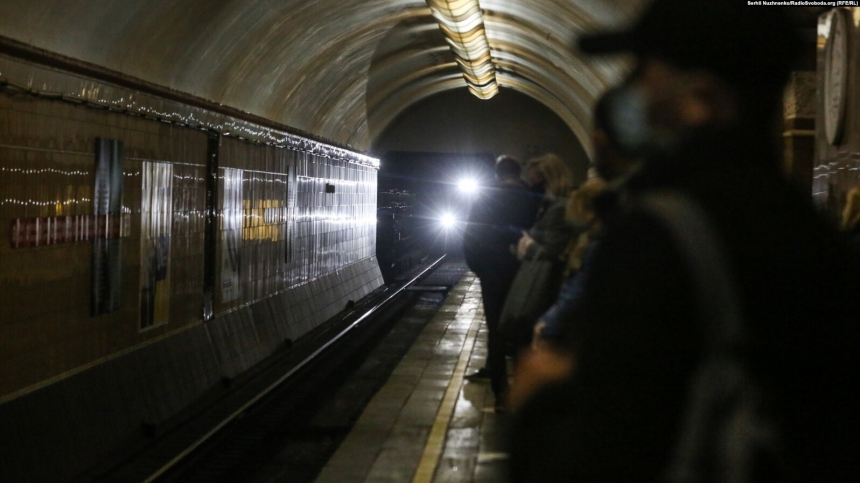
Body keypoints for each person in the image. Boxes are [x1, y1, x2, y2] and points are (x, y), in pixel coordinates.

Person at [509, 2, 859, 482]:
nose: (634, 95)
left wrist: (537, 404)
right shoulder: (816, 233)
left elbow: (607, 454)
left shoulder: (656, 236)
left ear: (701, 99)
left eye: (646, 75)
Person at [462, 155, 539, 409]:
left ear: (497, 175)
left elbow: (470, 236)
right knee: (522, 331)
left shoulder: (485, 197)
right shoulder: (532, 198)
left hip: (492, 272)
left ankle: (500, 393)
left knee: (495, 331)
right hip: (523, 272)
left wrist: (481, 269)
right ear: (519, 174)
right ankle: (522, 388)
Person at [504, 154, 576, 352]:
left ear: (550, 180)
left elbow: (552, 250)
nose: (537, 189)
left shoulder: (559, 208)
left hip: (546, 286)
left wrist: (527, 246)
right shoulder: (551, 206)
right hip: (543, 284)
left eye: (539, 183)